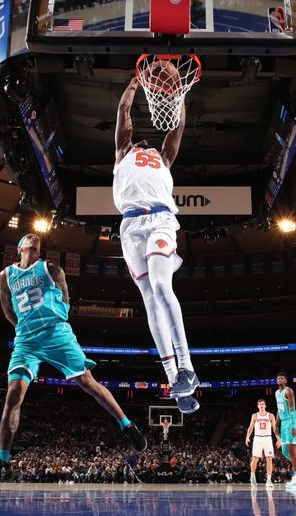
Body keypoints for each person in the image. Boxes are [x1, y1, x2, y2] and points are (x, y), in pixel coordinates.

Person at [0, 233, 147, 484]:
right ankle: (1, 459)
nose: (33, 237)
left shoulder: (51, 268)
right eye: (28, 237)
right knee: (13, 394)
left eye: (36, 238)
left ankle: (126, 425)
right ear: (19, 248)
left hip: (56, 332)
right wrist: (25, 328)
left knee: (86, 382)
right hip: (27, 340)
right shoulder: (5, 275)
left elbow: (66, 300)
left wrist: (51, 319)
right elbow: (7, 310)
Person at [113, 77, 199, 414]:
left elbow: (177, 126)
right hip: (130, 226)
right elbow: (123, 111)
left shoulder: (163, 158)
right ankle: (176, 383)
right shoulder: (123, 152)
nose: (144, 144)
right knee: (149, 299)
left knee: (163, 287)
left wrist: (178, 94)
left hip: (160, 220)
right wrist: (134, 82)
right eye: (140, 142)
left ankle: (188, 367)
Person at [245, 399, 276, 487]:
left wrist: (278, 438)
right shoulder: (254, 416)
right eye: (260, 404)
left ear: (265, 406)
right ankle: (252, 476)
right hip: (257, 438)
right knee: (255, 459)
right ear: (258, 406)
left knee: (269, 459)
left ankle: (269, 480)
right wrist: (247, 437)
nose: (261, 405)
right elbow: (251, 427)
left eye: (263, 404)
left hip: (268, 438)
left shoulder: (270, 415)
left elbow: (274, 428)